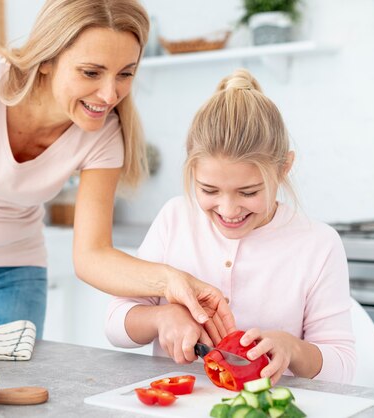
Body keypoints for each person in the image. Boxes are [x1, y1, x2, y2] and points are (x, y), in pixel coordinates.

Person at [0, 0, 236, 339]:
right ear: (45, 60)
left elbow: (92, 255)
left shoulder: (105, 135)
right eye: (91, 72)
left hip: (16, 272)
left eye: (125, 74)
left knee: (8, 395)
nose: (110, 95)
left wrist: (171, 280)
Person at [105, 69, 356, 384]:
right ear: (191, 167)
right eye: (209, 190)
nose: (228, 209)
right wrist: (161, 317)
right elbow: (115, 323)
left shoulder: (318, 243)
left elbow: (344, 369)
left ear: (284, 169)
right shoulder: (174, 218)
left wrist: (291, 349)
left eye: (249, 192)